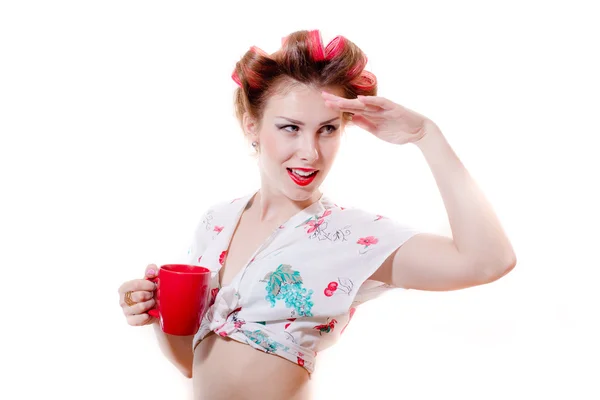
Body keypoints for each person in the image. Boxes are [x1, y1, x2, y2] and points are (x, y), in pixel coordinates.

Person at [117, 29, 517, 400]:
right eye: (291, 128)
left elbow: (489, 261)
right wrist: (156, 311)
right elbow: (189, 363)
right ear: (251, 126)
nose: (310, 151)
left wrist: (426, 137)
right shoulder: (216, 222)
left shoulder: (347, 236)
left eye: (327, 129)